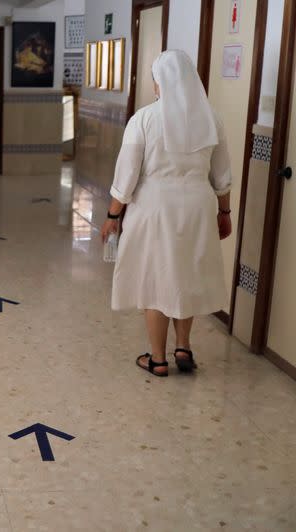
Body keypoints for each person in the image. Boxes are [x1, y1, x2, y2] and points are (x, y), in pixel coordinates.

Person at [101, 50, 232, 378]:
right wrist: (225, 211)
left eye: (155, 81)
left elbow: (126, 175)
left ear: (160, 82)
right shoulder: (211, 119)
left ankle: (157, 358)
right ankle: (183, 347)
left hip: (155, 209)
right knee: (185, 275)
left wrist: (113, 215)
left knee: (156, 279)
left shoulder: (144, 119)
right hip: (199, 208)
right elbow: (222, 175)